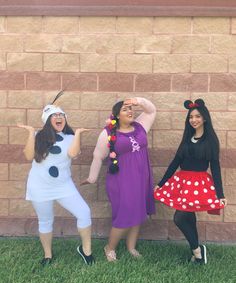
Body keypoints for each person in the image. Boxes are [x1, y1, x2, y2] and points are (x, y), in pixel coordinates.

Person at [18, 92, 95, 266]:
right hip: (39, 186)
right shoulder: (38, 136)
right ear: (47, 120)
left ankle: (86, 251)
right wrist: (31, 133)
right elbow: (29, 155)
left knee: (84, 212)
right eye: (55, 115)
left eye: (62, 115)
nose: (60, 117)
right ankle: (48, 255)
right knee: (45, 220)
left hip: (64, 186)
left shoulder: (70, 138)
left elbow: (73, 154)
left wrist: (78, 135)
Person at [82, 97, 156, 262]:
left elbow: (151, 110)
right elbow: (98, 157)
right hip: (121, 181)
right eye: (125, 109)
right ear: (116, 115)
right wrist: (92, 178)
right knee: (124, 215)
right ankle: (110, 248)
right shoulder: (108, 133)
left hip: (141, 177)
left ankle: (131, 247)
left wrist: (139, 101)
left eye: (131, 108)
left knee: (138, 212)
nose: (130, 111)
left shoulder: (140, 126)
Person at [154, 99, 227, 264]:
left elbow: (215, 167)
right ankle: (198, 253)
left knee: (179, 218)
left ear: (205, 118)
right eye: (191, 117)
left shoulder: (211, 141)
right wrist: (162, 182)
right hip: (182, 182)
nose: (194, 120)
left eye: (198, 116)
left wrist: (220, 194)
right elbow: (175, 162)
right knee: (188, 217)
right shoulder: (187, 138)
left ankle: (197, 250)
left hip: (197, 184)